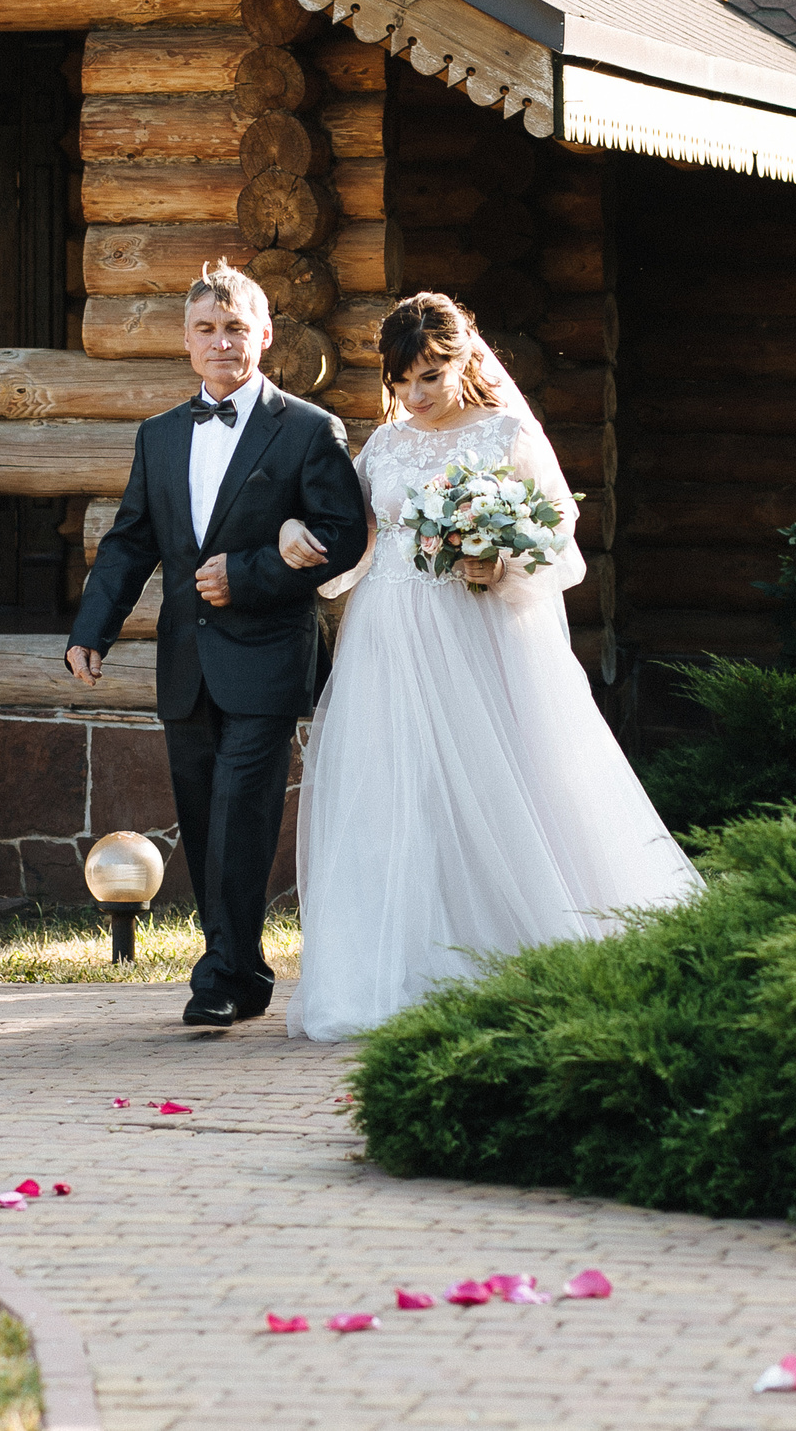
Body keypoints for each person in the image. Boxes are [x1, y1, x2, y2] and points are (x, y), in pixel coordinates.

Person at [274, 292, 699, 1042]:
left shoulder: (504, 434)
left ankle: (516, 950)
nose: (414, 395)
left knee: (493, 780)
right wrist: (293, 536)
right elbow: (358, 538)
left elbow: (557, 538)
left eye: (429, 377)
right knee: (395, 789)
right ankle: (398, 966)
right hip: (385, 636)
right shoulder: (385, 445)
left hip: (471, 634)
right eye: (402, 380)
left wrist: (498, 562)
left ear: (462, 359)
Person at [66, 263, 371, 1028]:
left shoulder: (307, 429)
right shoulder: (160, 435)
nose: (222, 342)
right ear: (186, 341)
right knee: (203, 817)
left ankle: (222, 973)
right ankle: (236, 965)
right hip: (187, 662)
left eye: (236, 328)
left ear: (264, 336)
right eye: (207, 329)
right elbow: (131, 541)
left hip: (268, 656)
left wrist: (250, 574)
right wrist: (90, 630)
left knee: (241, 811)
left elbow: (342, 539)